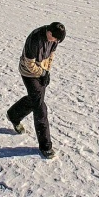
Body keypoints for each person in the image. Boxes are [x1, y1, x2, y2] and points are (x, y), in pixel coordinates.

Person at [6, 22, 67, 160]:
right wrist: (42, 73)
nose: (56, 42)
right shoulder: (34, 39)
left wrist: (47, 71)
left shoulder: (54, 39)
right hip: (28, 73)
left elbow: (51, 55)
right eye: (55, 39)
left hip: (41, 72)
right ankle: (46, 146)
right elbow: (29, 64)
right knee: (40, 107)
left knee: (35, 100)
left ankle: (13, 115)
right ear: (49, 33)